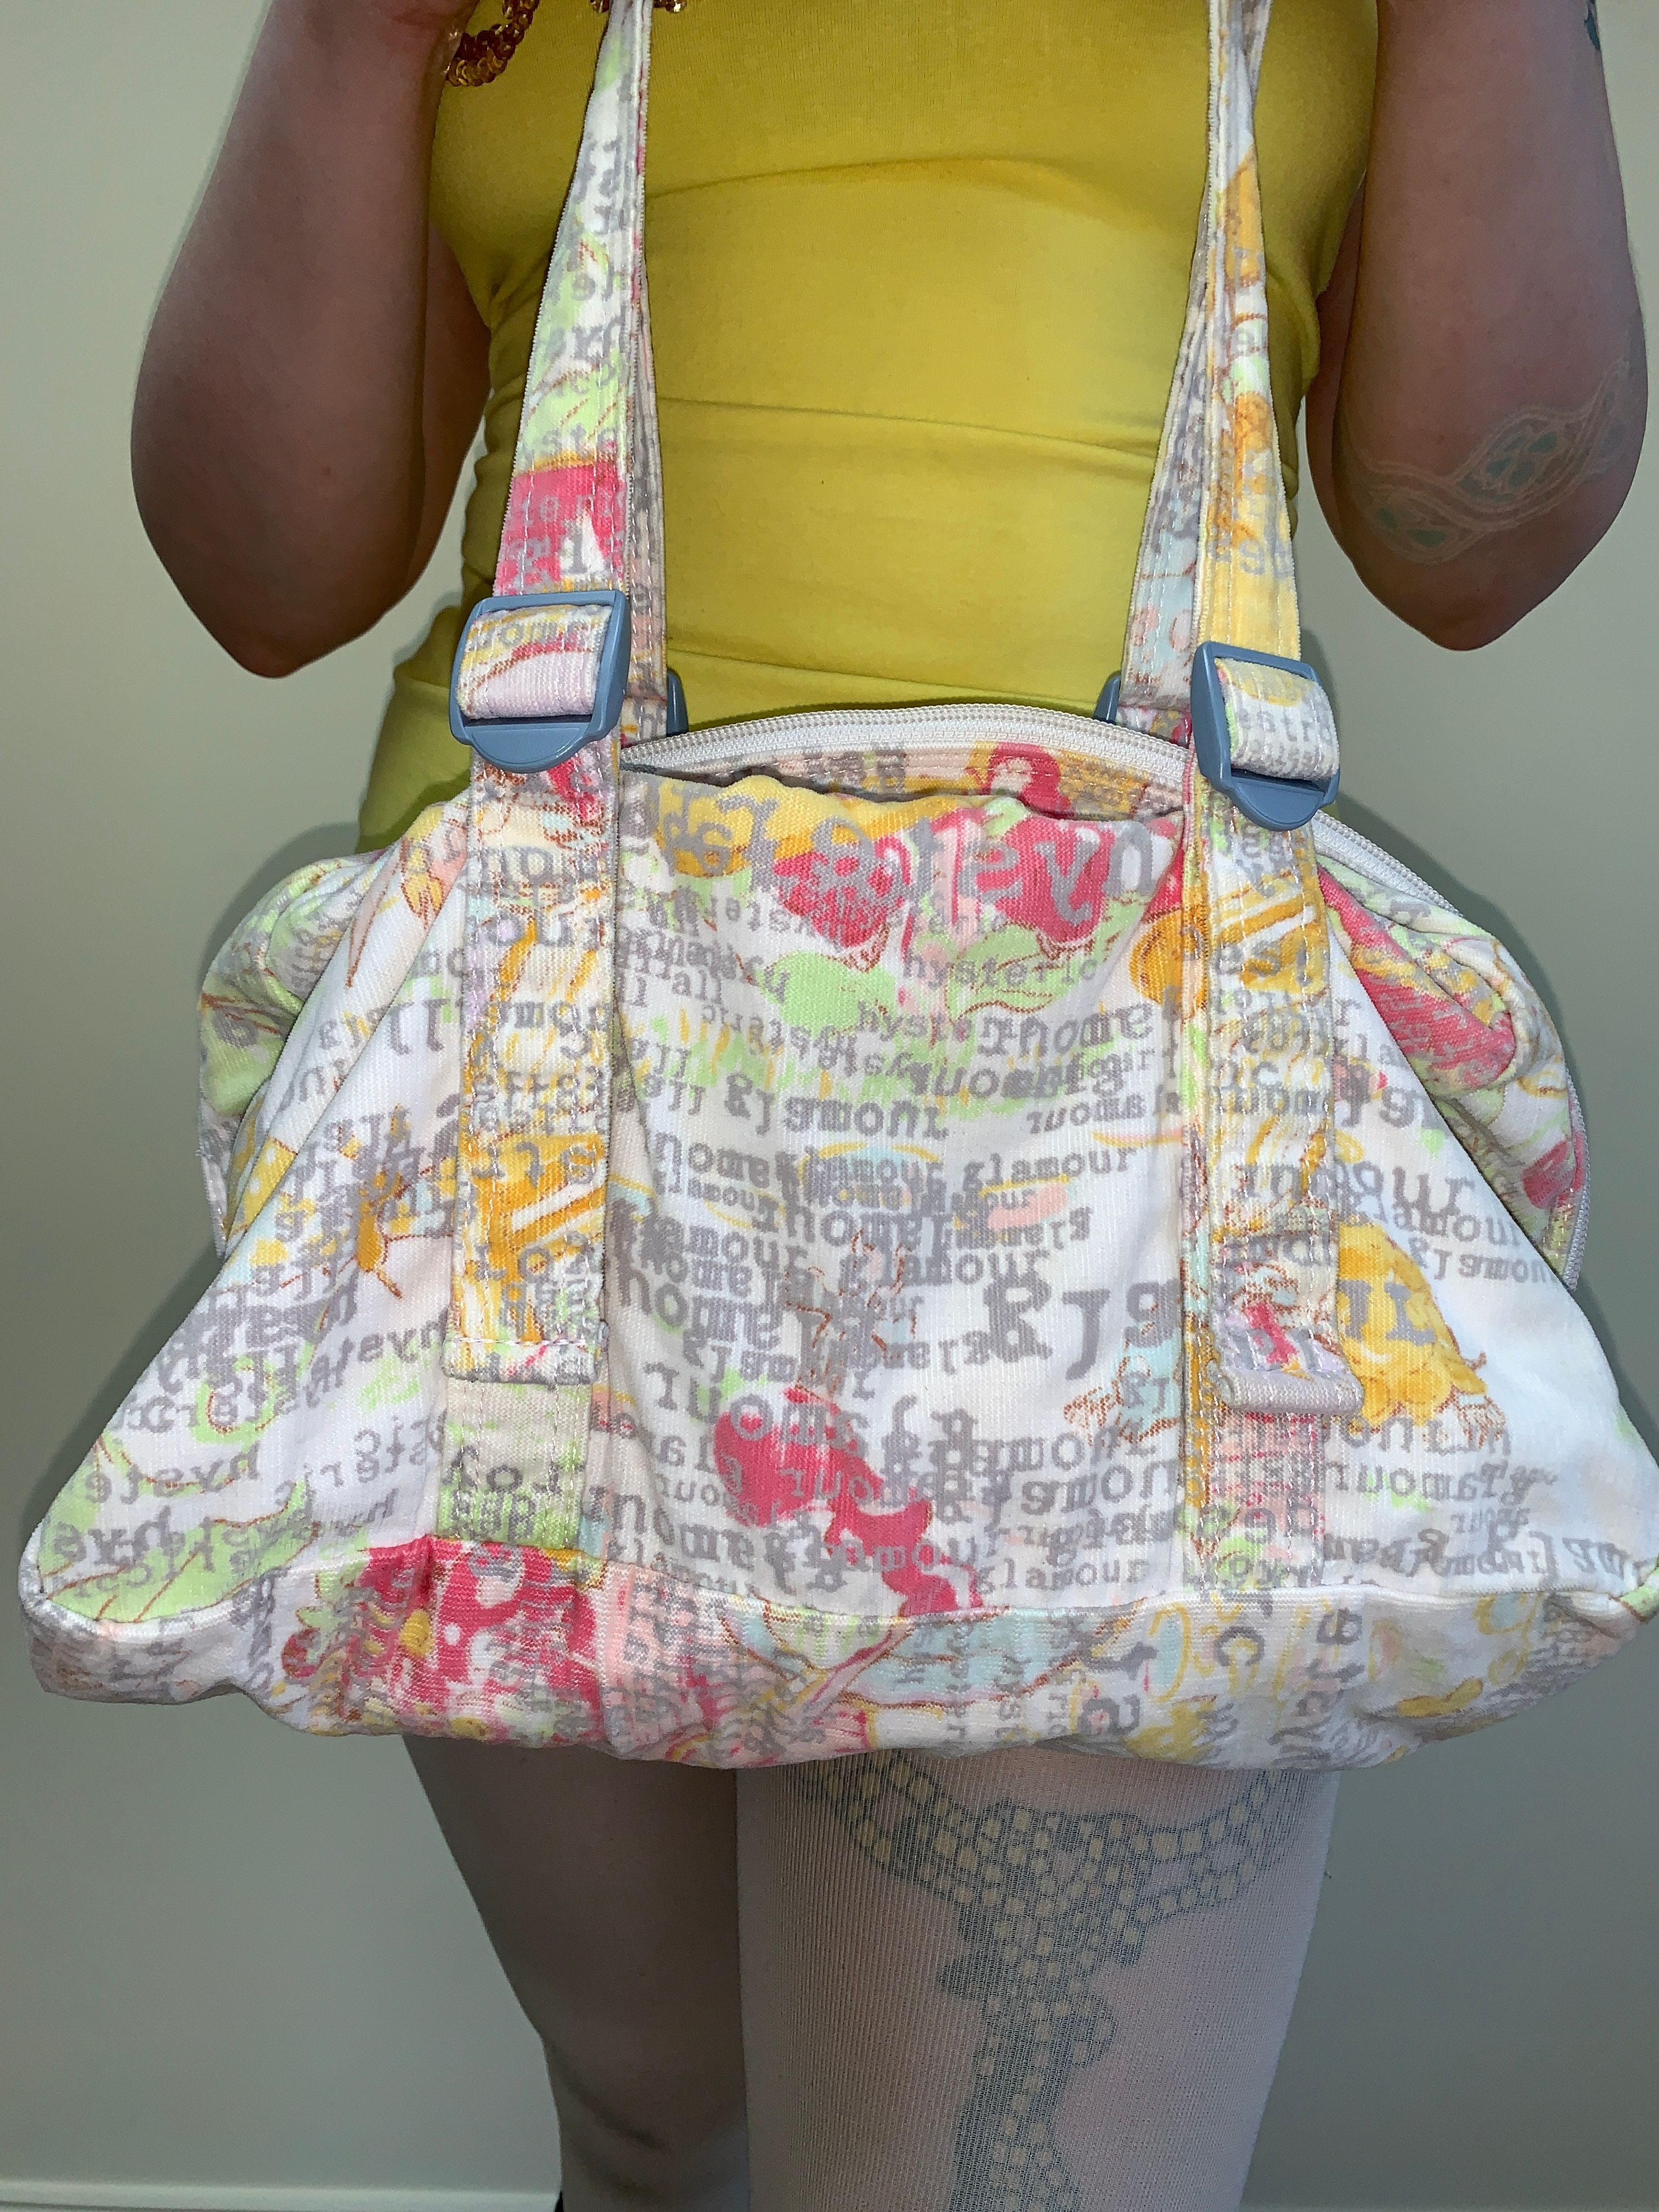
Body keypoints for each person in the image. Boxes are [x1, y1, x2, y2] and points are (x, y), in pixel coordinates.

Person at [128, 4, 1645, 2208]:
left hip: (1111, 1167)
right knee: (661, 2126)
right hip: (530, 1124)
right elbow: (261, 574)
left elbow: (1477, 541)